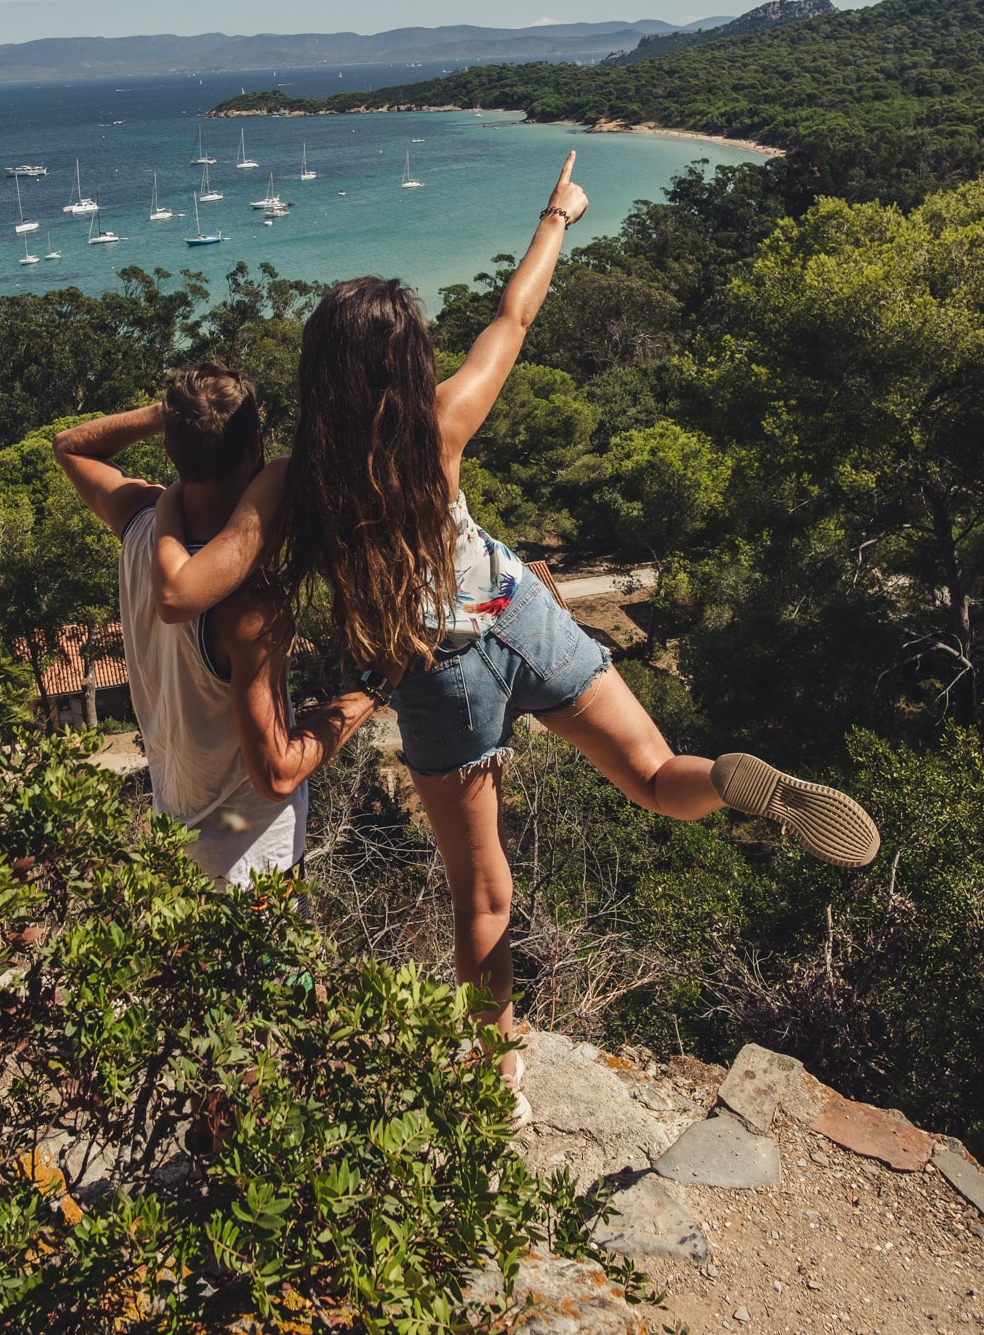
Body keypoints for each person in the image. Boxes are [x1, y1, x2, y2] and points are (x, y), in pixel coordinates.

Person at [149, 160, 880, 1121]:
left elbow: (181, 591)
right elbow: (514, 317)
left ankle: (497, 1084)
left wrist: (170, 483)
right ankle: (742, 784)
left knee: (483, 901)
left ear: (318, 375)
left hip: (440, 679)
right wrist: (557, 215)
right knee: (658, 777)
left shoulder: (293, 483)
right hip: (522, 614)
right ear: (409, 366)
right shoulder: (442, 424)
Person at [53, 363, 390, 891]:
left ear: (169, 448)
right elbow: (277, 773)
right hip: (254, 871)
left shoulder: (141, 521)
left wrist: (171, 418)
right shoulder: (251, 610)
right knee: (291, 979)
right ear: (255, 447)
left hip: (174, 854)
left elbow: (71, 445)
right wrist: (374, 687)